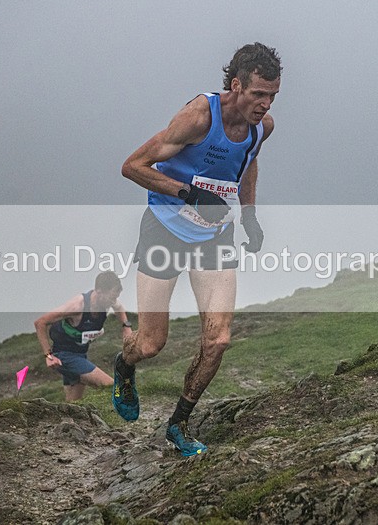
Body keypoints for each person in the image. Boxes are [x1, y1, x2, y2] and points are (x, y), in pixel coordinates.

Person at [113, 42, 282, 456]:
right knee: (152, 344)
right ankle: (124, 364)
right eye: (258, 94)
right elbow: (133, 167)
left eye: (273, 95)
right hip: (165, 231)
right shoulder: (198, 117)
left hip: (214, 238)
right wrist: (189, 194)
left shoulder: (264, 126)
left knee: (219, 339)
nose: (265, 104)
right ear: (237, 85)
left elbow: (249, 161)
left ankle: (178, 424)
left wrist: (250, 215)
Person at [35, 271, 133, 401]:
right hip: (64, 355)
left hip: (80, 353)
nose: (113, 302)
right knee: (111, 386)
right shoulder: (77, 306)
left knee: (74, 404)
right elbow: (40, 322)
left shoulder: (107, 301)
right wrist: (48, 356)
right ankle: (130, 415)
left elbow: (119, 308)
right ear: (98, 291)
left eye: (115, 297)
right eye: (111, 298)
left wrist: (126, 327)